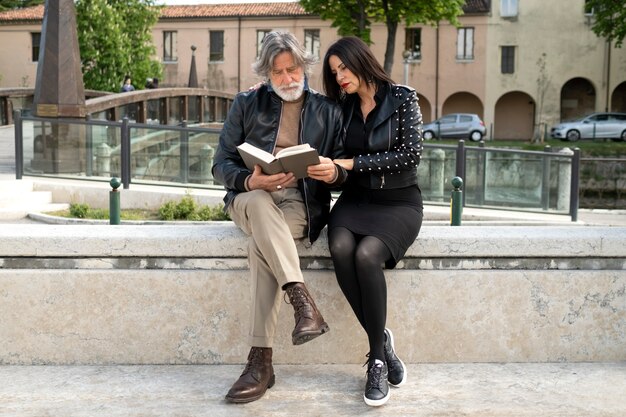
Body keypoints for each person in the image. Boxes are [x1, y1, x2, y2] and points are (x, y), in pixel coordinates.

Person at [212, 31, 346, 404]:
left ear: (303, 66)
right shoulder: (246, 104)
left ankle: (261, 363)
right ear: (266, 74)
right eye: (278, 72)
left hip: (300, 204)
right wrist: (248, 178)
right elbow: (219, 165)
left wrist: (328, 170)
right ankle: (302, 302)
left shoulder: (327, 111)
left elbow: (342, 170)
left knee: (262, 246)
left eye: (293, 69)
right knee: (256, 201)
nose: (288, 78)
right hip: (250, 196)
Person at [321, 36, 424, 407]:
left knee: (367, 255)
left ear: (360, 61)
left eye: (344, 68)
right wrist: (331, 170)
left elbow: (409, 156)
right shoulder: (342, 108)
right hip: (356, 200)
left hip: (399, 202)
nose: (340, 77)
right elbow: (340, 164)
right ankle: (382, 345)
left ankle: (376, 360)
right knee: (340, 246)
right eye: (334, 73)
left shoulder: (404, 98)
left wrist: (351, 163)